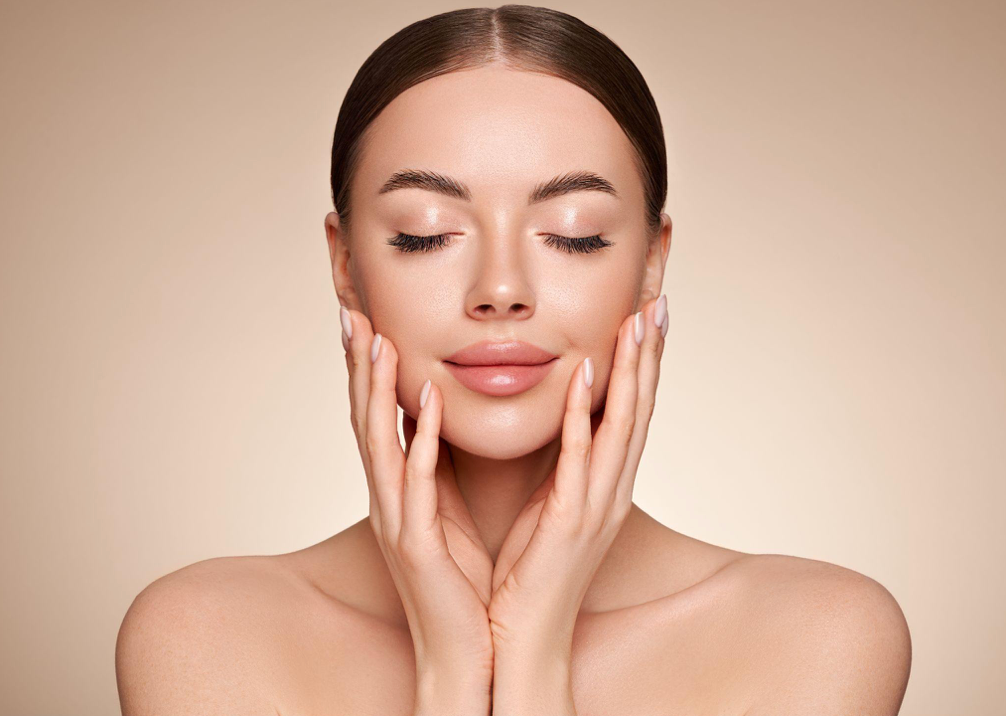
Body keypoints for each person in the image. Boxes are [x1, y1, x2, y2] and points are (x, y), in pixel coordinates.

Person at [114, 5, 912, 715]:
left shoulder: (819, 635)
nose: (500, 289)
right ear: (346, 263)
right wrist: (450, 672)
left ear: (651, 262)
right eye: (425, 233)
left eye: (574, 233)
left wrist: (535, 655)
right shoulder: (204, 634)